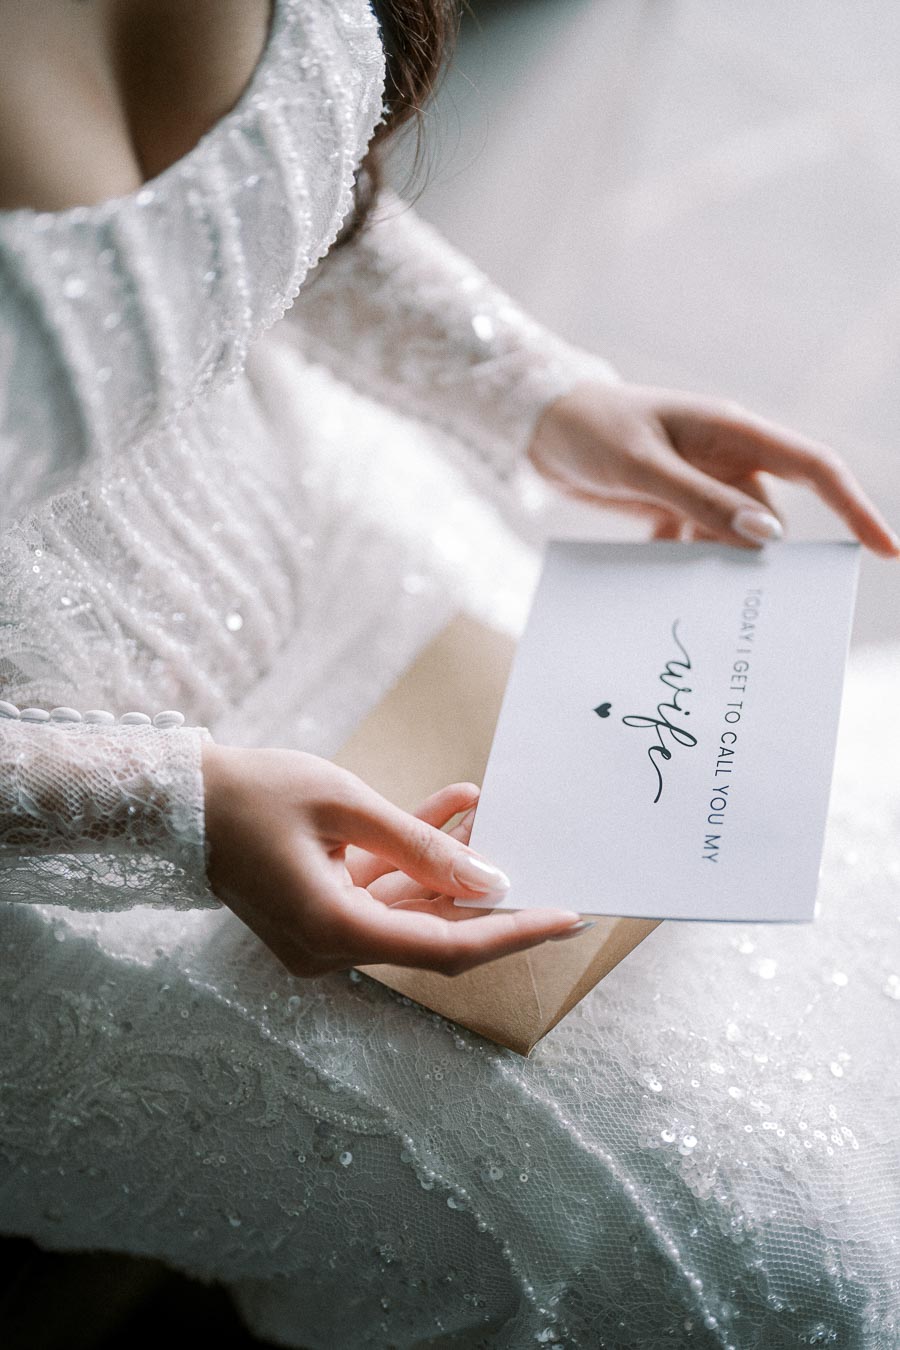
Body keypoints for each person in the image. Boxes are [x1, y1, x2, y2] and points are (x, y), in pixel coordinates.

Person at [0, 1, 897, 1346]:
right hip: (75, 847)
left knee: (815, 878)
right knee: (766, 1245)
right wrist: (174, 803)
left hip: (324, 511)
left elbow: (217, 208)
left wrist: (542, 392)